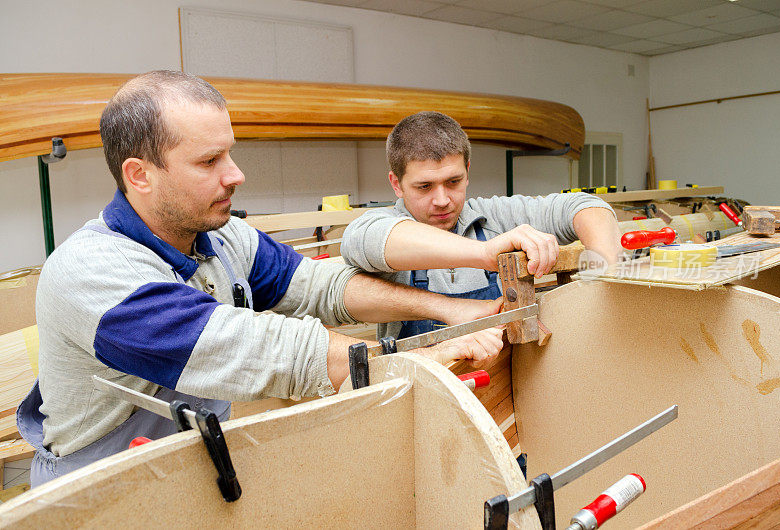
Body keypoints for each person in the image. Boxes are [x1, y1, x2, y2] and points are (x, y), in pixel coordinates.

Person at [18, 72, 505, 486]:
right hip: (100, 490)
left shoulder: (223, 237)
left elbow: (319, 286)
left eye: (229, 154)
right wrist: (413, 360)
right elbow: (251, 348)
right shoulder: (92, 273)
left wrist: (446, 308)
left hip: (190, 464)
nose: (236, 175)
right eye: (209, 161)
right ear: (140, 175)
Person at [341, 111, 623, 339]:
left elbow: (584, 206)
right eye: (424, 186)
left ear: (468, 172)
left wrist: (605, 277)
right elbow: (362, 239)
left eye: (453, 182)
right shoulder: (382, 225)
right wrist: (485, 253)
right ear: (396, 184)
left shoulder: (493, 215)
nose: (442, 200)